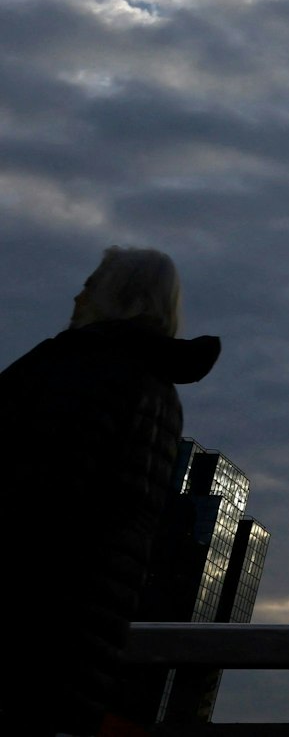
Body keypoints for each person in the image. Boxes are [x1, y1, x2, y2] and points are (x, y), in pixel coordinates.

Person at [0, 247, 220, 736]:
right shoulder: (163, 395)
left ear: (117, 295)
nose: (78, 294)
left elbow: (30, 497)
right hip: (85, 647)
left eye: (90, 282)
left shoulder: (76, 367)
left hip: (22, 627)